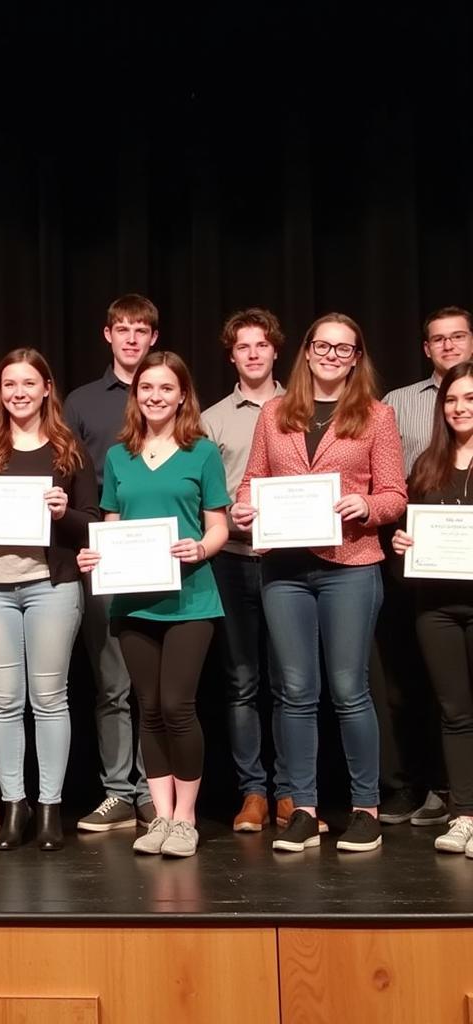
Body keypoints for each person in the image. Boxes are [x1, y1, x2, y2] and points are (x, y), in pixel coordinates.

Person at [234, 313, 407, 854]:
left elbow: (396, 494)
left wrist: (368, 504)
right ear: (307, 352)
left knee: (350, 690)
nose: (332, 356)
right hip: (284, 569)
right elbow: (252, 482)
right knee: (294, 693)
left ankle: (365, 807)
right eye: (323, 346)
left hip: (350, 565)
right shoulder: (274, 413)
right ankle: (302, 806)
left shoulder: (377, 415)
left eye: (344, 349)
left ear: (356, 358)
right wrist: (243, 508)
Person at [78, 351, 229, 858]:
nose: (155, 396)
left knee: (177, 706)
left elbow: (218, 525)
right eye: (147, 388)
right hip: (133, 603)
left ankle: (186, 818)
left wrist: (201, 548)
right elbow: (113, 524)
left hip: (191, 598)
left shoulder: (202, 452)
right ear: (135, 395)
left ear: (183, 394)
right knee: (149, 710)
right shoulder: (120, 455)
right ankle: (160, 816)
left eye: (166, 388)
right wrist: (98, 554)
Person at [0, 348, 98, 852]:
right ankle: (14, 806)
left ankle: (50, 807)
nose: (17, 392)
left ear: (45, 389)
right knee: (4, 701)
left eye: (27, 383)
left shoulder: (67, 448)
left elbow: (94, 522)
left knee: (50, 699)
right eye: (9, 383)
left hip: (50, 586)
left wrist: (65, 513)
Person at [373, 307, 473, 827]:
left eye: (468, 399)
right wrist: (408, 538)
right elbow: (406, 505)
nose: (459, 407)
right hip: (430, 591)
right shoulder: (423, 453)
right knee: (446, 705)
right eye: (451, 400)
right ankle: (460, 809)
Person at [64, 293, 157, 834]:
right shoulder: (81, 402)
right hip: (104, 549)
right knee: (112, 683)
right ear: (108, 335)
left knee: (156, 683)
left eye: (140, 330)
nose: (130, 338)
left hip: (161, 551)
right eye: (121, 328)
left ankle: (154, 789)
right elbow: (73, 479)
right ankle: (119, 791)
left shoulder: (169, 389)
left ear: (152, 338)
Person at [202, 309, 293, 832]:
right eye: (243, 346)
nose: (253, 353)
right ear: (231, 354)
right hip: (233, 562)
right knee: (241, 682)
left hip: (288, 563)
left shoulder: (299, 409)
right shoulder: (213, 419)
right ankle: (253, 793)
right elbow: (205, 498)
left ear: (275, 351)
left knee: (290, 683)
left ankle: (290, 791)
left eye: (262, 345)